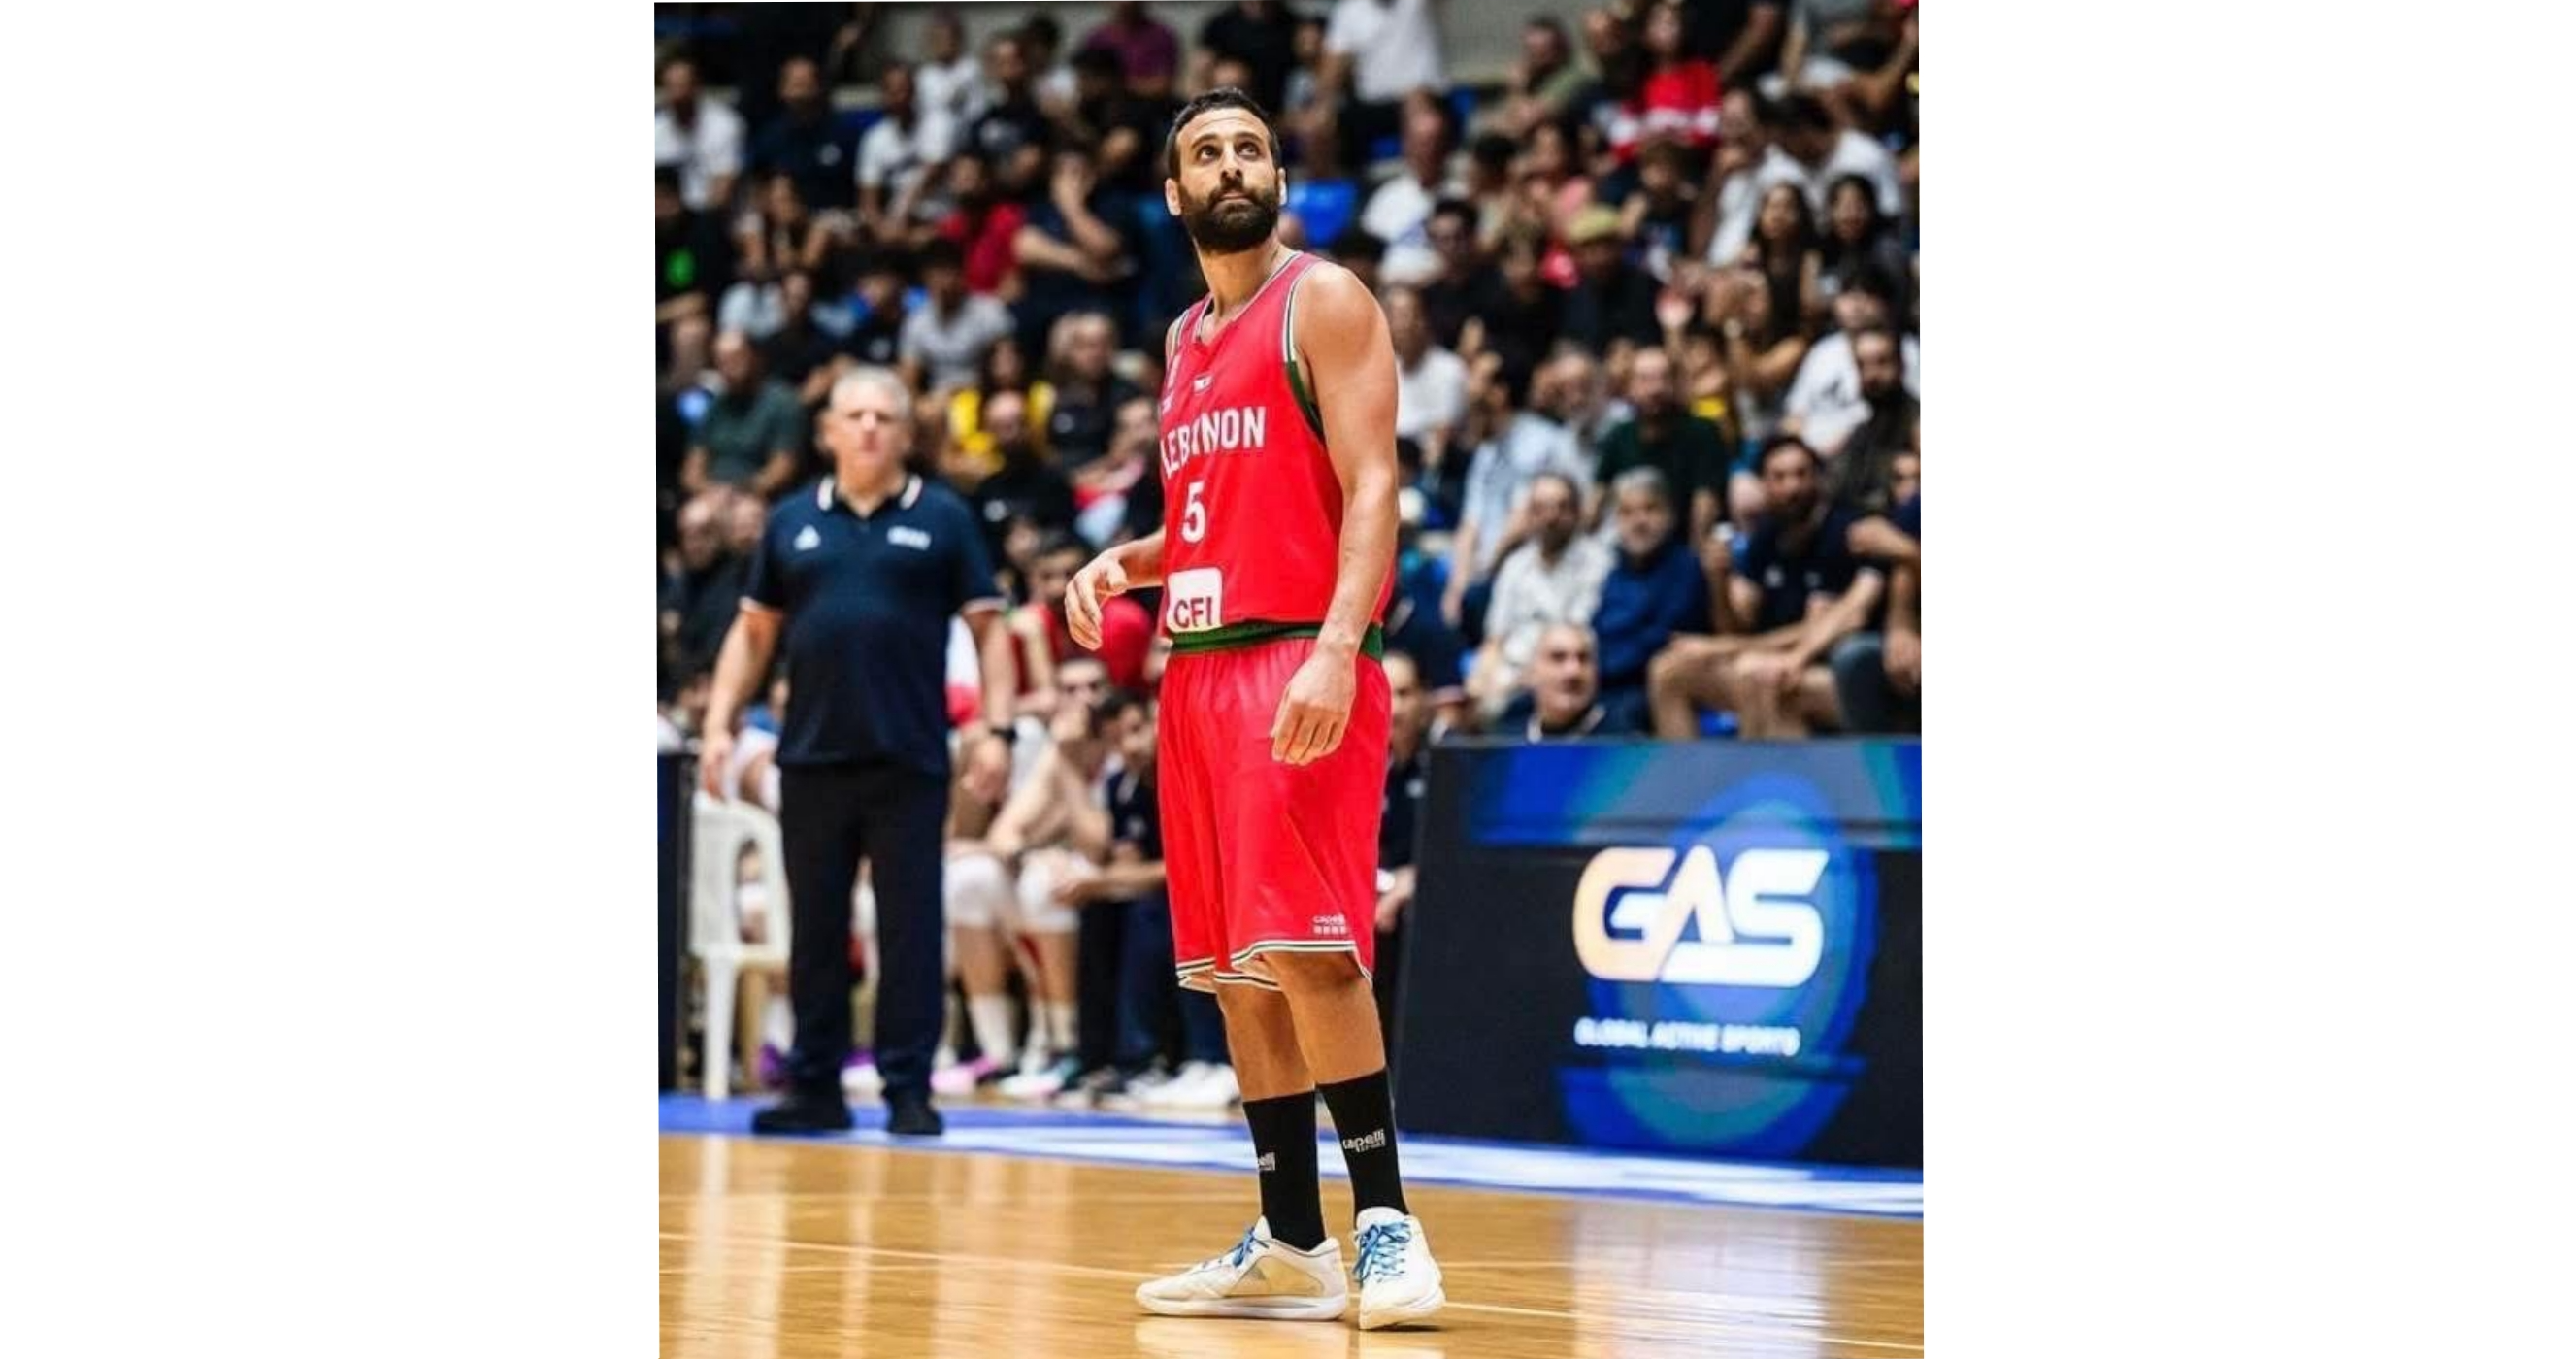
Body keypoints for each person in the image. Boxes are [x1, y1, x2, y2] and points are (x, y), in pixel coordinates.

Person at [1066, 87, 1445, 1331]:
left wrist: (1337, 647)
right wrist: (1129, 562)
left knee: (1309, 949)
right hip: (1196, 668)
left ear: (1278, 178)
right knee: (1236, 973)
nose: (1230, 165)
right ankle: (1290, 1235)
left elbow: (1371, 484)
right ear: (1173, 194)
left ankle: (1385, 1221)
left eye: (1249, 149)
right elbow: (1215, 517)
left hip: (1297, 655)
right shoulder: (1184, 338)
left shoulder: (1322, 299)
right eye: (1206, 153)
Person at [701, 366, 1021, 1138]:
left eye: (885, 416)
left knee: (910, 926)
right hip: (812, 757)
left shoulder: (942, 518)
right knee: (816, 926)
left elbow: (989, 629)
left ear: (907, 434)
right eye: (856, 415)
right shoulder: (790, 521)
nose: (870, 427)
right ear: (828, 432)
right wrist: (717, 724)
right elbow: (754, 632)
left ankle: (908, 1087)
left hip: (910, 757)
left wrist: (997, 729)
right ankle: (815, 1084)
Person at [1646, 434, 1883, 738]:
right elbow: (1736, 625)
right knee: (1668, 671)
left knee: (1756, 675)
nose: (1792, 487)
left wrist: (1721, 648)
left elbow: (1819, 629)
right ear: (1763, 485)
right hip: (1769, 658)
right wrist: (1718, 581)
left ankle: (1779, 771)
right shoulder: (1765, 538)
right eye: (1779, 477)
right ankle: (1687, 770)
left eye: (1801, 474)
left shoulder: (1842, 533)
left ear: (1818, 479)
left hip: (1834, 674)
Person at [1468, 471, 1612, 722]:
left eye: (1561, 507)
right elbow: (1494, 640)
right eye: (1540, 508)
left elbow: (1579, 636)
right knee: (1467, 707)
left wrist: (1536, 674)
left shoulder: (1598, 562)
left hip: (1566, 667)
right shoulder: (1515, 564)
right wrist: (1480, 680)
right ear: (1528, 515)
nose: (1551, 517)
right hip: (1511, 673)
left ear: (1577, 512)